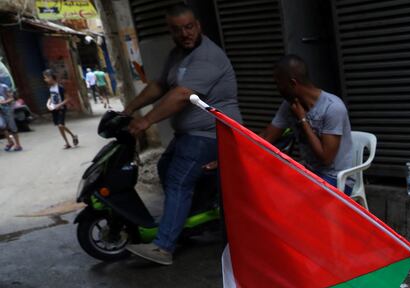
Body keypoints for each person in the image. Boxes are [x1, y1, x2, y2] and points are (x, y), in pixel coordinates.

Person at [123, 2, 241, 266]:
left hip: (212, 132)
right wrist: (129, 109)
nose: (185, 33)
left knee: (178, 180)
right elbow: (159, 85)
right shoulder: (178, 54)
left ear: (198, 26)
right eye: (178, 30)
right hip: (191, 134)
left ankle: (163, 247)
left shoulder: (208, 57)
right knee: (165, 167)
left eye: (189, 27)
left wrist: (147, 121)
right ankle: (189, 222)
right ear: (171, 31)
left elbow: (180, 95)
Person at [260, 54, 353, 191]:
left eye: (279, 84)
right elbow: (268, 137)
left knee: (290, 196)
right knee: (270, 185)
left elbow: (326, 159)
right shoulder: (289, 105)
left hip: (336, 178)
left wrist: (302, 119)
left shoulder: (332, 108)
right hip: (309, 171)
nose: (278, 89)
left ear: (293, 83)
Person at [42, 69, 79, 149]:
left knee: (60, 125)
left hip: (61, 109)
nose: (45, 80)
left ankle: (73, 135)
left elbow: (67, 98)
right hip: (54, 109)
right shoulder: (50, 88)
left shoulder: (60, 87)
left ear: (51, 77)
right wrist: (48, 104)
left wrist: (59, 105)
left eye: (46, 78)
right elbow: (51, 97)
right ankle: (67, 142)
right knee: (60, 126)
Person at [0, 80, 21, 151]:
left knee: (12, 127)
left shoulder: (4, 87)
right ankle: (10, 142)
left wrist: (4, 102)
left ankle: (18, 145)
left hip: (8, 110)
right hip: (0, 111)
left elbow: (12, 98)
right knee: (3, 126)